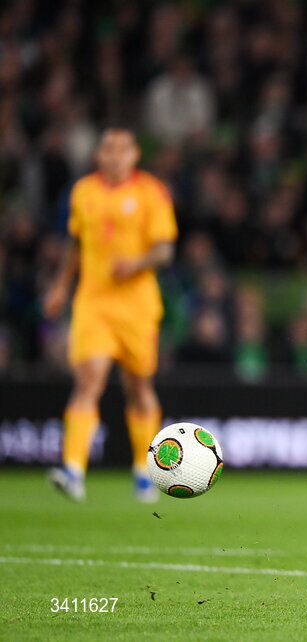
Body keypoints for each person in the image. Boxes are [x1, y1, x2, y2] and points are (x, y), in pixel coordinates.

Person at [43, 127, 178, 503]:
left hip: (137, 306)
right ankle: (73, 469)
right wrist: (59, 286)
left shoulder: (151, 192)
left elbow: (165, 249)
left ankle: (143, 470)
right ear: (98, 154)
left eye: (122, 150)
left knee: (139, 390)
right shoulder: (83, 191)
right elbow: (76, 244)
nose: (114, 156)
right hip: (94, 302)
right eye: (108, 149)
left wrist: (136, 263)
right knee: (89, 382)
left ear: (135, 155)